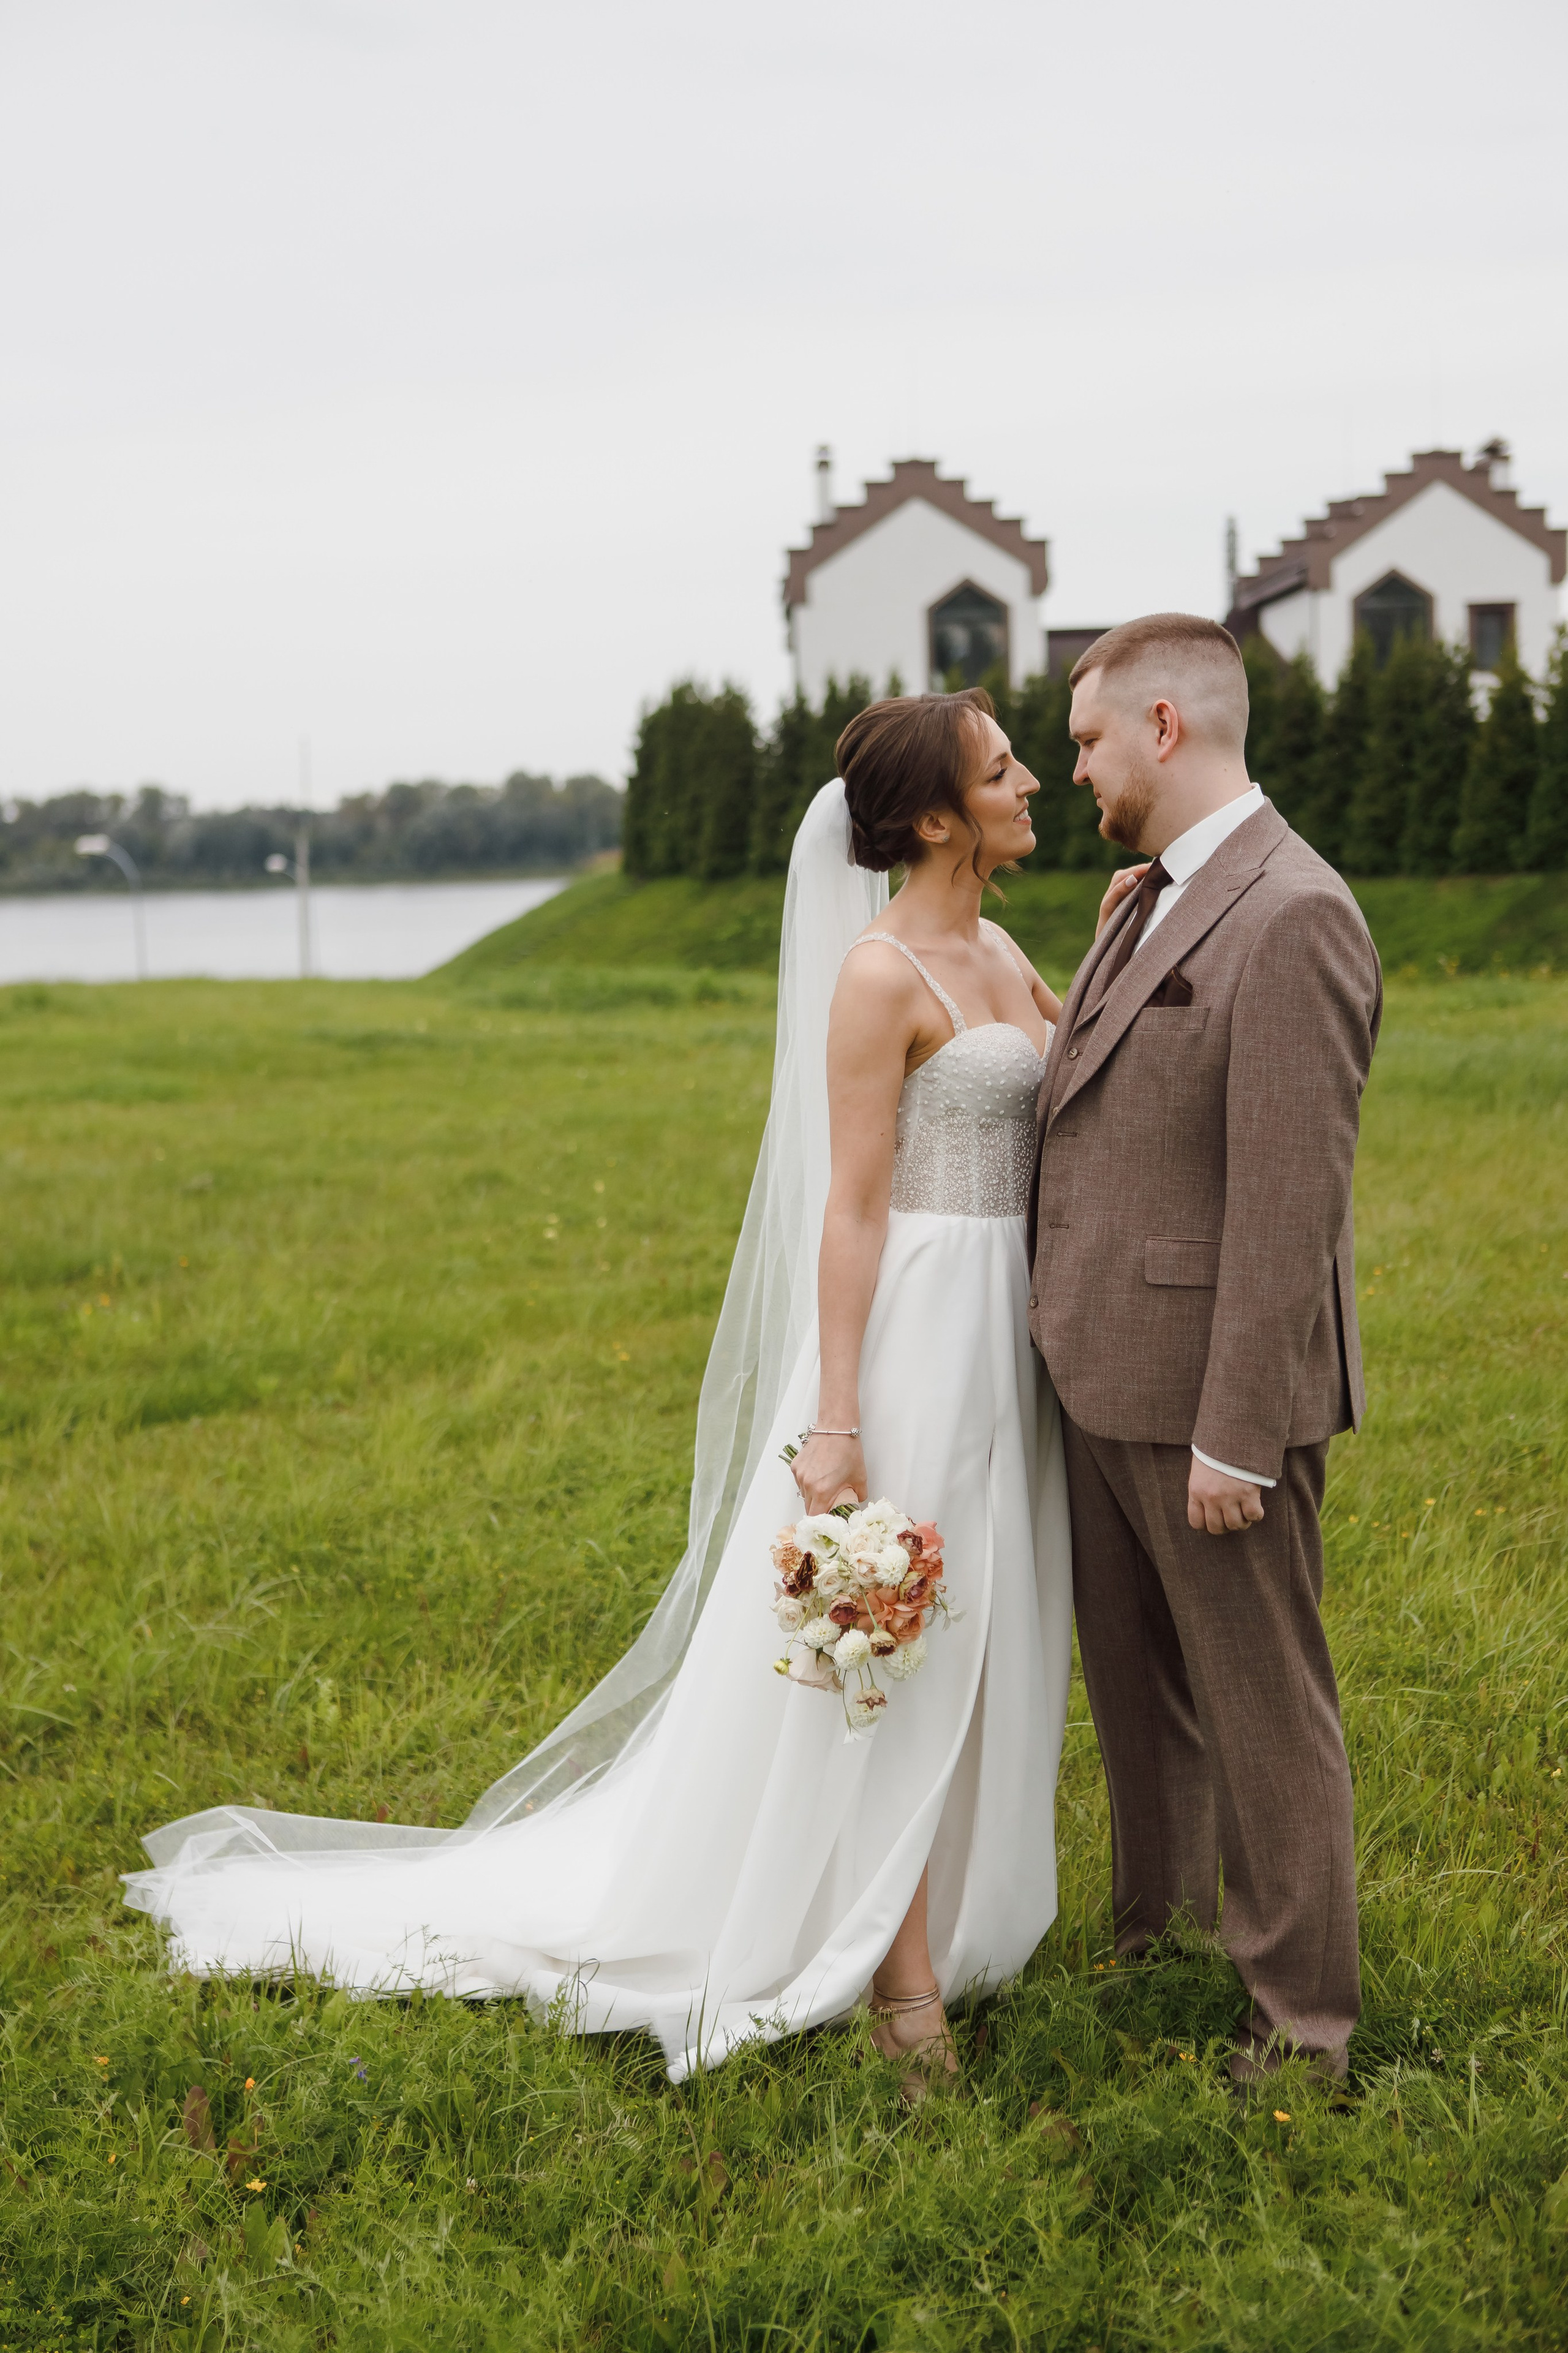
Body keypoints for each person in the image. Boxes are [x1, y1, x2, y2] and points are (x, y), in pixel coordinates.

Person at [126, 688, 1106, 2098]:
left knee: (987, 1626)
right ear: (940, 817)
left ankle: (947, 1917)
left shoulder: (1004, 945)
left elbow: (1084, 1073)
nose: (1030, 785)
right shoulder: (883, 976)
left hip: (1004, 1338)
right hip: (918, 1341)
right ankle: (900, 1992)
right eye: (1004, 770)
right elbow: (846, 1212)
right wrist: (836, 1421)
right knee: (891, 1652)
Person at [1029, 613, 1381, 2084]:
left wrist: (1238, 1431)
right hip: (1099, 1369)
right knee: (1137, 1693)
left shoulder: (1292, 911)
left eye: (1089, 742)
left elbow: (1290, 1202)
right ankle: (1155, 1935)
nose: (1078, 772)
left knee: (1258, 1704)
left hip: (1208, 1407)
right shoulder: (1149, 895)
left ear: (1164, 727)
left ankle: (1299, 2023)